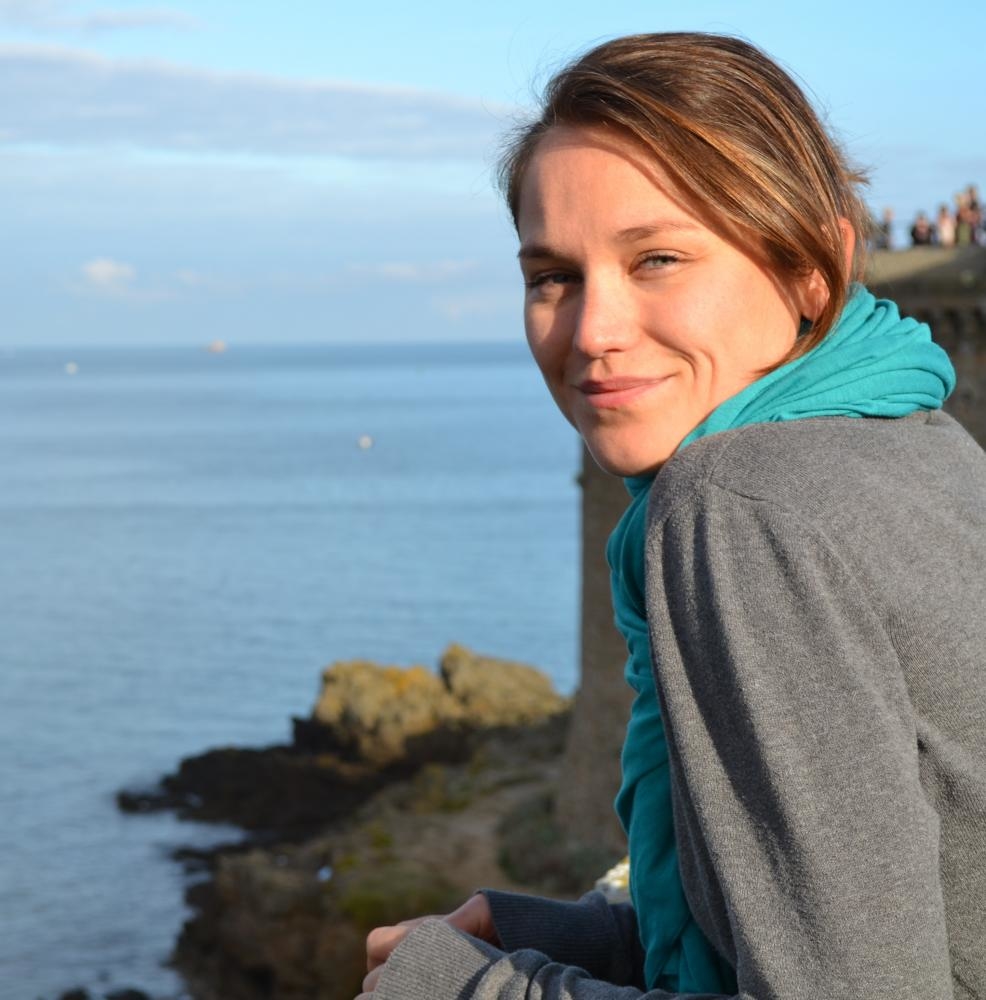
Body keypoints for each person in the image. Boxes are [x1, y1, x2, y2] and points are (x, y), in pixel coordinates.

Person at [357, 33, 986, 1000]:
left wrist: (466, 988)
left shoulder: (736, 503)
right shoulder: (916, 438)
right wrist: (584, 941)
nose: (593, 332)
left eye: (656, 258)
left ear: (813, 266)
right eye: (552, 276)